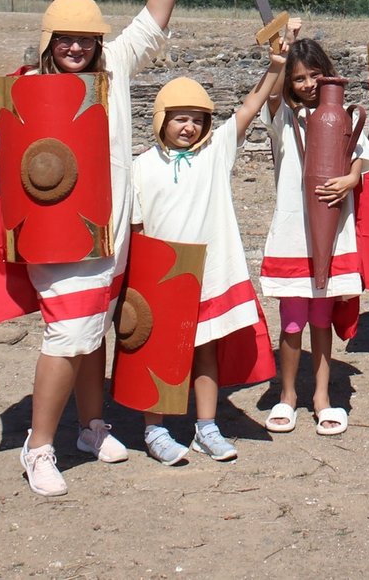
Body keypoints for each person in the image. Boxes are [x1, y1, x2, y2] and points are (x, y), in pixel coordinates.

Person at [0, 0, 191, 496]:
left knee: (93, 331)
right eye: (65, 39)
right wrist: (36, 154)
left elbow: (153, 19)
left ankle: (91, 427)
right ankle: (37, 447)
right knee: (69, 336)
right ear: (49, 41)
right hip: (58, 232)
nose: (75, 47)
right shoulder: (28, 89)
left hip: (111, 230)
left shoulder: (114, 69)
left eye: (85, 39)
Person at [130, 56, 283, 464]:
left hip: (208, 274)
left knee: (206, 351)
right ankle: (155, 429)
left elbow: (251, 106)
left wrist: (276, 65)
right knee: (158, 353)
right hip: (161, 280)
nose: (189, 127)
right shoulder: (140, 167)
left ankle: (206, 426)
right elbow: (137, 229)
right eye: (179, 118)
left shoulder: (216, 152)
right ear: (161, 120)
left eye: (197, 119)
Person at [257, 30, 369, 437]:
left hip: (334, 230)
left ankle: (322, 397)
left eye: (314, 75)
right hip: (294, 230)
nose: (308, 85)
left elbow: (366, 159)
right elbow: (270, 97)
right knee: (292, 321)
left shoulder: (344, 114)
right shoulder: (282, 117)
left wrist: (350, 179)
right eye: (299, 78)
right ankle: (287, 394)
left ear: (327, 75)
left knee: (322, 317)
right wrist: (278, 60)